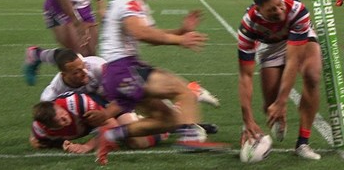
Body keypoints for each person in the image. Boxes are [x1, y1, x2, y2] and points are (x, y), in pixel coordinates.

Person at [91, 0, 228, 165]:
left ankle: (110, 135)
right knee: (184, 91)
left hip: (119, 73)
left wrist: (181, 31)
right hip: (123, 69)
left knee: (169, 120)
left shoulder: (133, 1)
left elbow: (151, 35)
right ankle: (190, 140)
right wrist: (179, 40)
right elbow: (141, 33)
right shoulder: (130, 1)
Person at [237, 0, 322, 160]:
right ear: (259, 10)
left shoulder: (297, 10)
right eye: (272, 10)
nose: (280, 10)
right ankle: (275, 117)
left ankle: (303, 143)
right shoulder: (249, 25)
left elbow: (293, 61)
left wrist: (283, 101)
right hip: (270, 46)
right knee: (270, 105)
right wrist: (247, 120)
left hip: (297, 38)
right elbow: (245, 76)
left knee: (312, 75)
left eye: (280, 4)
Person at [35, 47, 220, 107]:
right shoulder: (54, 90)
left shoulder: (96, 66)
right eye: (76, 72)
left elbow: (117, 87)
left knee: (143, 93)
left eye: (82, 67)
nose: (83, 72)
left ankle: (191, 91)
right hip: (100, 97)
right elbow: (43, 110)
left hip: (114, 82)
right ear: (63, 74)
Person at [30, 91, 167, 154]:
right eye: (61, 120)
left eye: (63, 113)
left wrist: (87, 146)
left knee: (136, 141)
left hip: (107, 107)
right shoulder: (40, 129)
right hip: (93, 123)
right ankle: (143, 118)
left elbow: (112, 125)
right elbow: (37, 142)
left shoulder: (76, 103)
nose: (66, 117)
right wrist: (61, 144)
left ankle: (165, 125)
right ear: (50, 127)